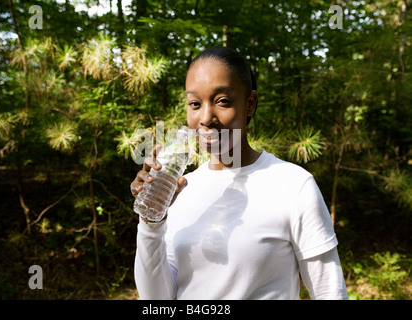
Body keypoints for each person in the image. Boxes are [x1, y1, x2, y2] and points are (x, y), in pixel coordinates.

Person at [130, 47, 348, 300]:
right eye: (194, 104)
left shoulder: (293, 185)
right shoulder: (179, 189)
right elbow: (156, 300)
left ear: (250, 103)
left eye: (222, 101)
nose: (206, 117)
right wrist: (152, 221)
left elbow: (329, 292)